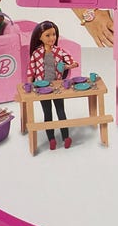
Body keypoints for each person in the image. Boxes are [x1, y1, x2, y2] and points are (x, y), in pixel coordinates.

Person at [27, 21, 79, 150]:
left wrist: (67, 66)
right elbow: (31, 71)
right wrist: (29, 85)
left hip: (57, 87)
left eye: (54, 34)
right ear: (40, 37)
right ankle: (51, 139)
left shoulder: (59, 51)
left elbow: (73, 62)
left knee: (61, 111)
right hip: (42, 87)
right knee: (47, 113)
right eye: (48, 35)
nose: (52, 38)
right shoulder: (36, 54)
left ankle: (66, 137)